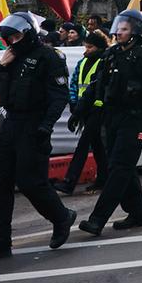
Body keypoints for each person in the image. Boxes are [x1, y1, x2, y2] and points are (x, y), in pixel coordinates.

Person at [0, 13, 75, 261]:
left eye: (16, 36)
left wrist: (46, 127)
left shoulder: (49, 57)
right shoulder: (10, 57)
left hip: (34, 125)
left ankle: (61, 217)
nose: (12, 41)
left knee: (30, 182)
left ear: (29, 33)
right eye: (9, 38)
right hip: (10, 125)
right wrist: (1, 65)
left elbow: (59, 96)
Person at [77, 10, 142, 237]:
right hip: (112, 117)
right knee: (121, 167)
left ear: (136, 31)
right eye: (119, 27)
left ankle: (97, 219)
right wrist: (81, 109)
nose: (119, 32)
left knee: (118, 168)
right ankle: (138, 213)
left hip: (134, 118)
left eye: (125, 29)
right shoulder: (112, 53)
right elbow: (98, 83)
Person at [56, 31, 109, 196]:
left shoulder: (104, 63)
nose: (86, 50)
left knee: (83, 146)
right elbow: (74, 84)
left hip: (97, 109)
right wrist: (74, 104)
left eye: (90, 47)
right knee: (98, 146)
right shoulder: (82, 63)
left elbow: (98, 88)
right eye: (86, 46)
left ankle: (69, 182)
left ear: (99, 47)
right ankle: (103, 179)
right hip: (83, 108)